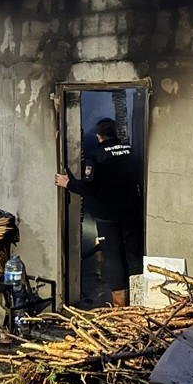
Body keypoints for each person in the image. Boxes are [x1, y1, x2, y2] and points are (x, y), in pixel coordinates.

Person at [55, 117, 143, 307]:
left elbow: (90, 187)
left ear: (99, 136)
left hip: (108, 216)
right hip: (132, 213)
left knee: (113, 258)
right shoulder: (131, 151)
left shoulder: (97, 156)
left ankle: (119, 305)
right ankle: (138, 300)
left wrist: (68, 183)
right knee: (133, 254)